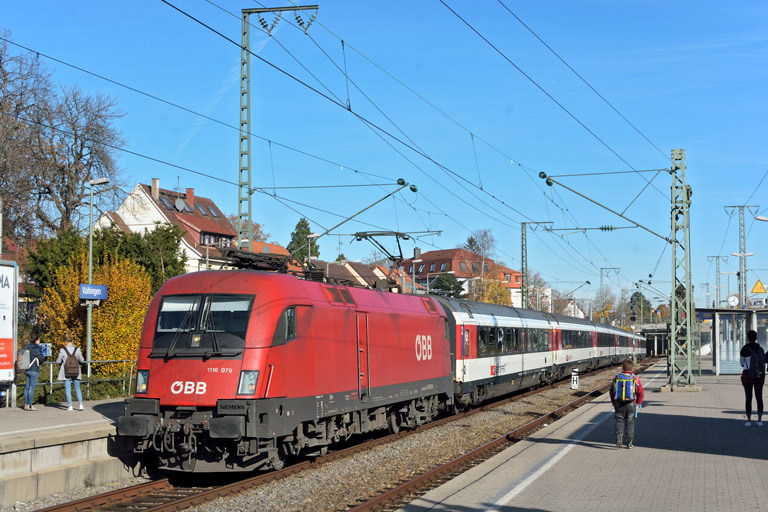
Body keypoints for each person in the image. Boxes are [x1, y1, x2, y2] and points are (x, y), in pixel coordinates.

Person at [609, 358, 645, 449]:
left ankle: (619, 437)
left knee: (619, 420)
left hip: (618, 403)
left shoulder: (617, 377)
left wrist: (614, 403)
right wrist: (638, 403)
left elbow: (611, 391)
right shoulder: (635, 378)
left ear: (622, 368)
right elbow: (641, 393)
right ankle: (629, 442)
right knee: (630, 422)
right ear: (632, 368)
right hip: (631, 403)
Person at [739, 330, 765, 426]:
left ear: (748, 338)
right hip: (759, 375)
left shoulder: (744, 349)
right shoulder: (760, 349)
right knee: (759, 397)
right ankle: (759, 420)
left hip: (748, 375)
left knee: (748, 397)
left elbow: (742, 363)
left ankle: (749, 420)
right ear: (756, 337)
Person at [56, 335, 85, 411]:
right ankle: (81, 405)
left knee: (68, 389)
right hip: (76, 371)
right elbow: (82, 360)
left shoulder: (62, 350)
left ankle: (70, 406)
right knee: (77, 388)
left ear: (65, 342)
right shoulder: (77, 349)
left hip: (66, 371)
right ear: (72, 341)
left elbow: (58, 361)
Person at [19, 336, 45, 411]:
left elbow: (20, 353)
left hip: (27, 368)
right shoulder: (37, 348)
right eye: (39, 340)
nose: (39, 341)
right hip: (34, 369)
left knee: (27, 387)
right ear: (36, 341)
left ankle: (26, 405)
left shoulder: (26, 347)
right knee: (31, 388)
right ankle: (30, 405)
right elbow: (42, 359)